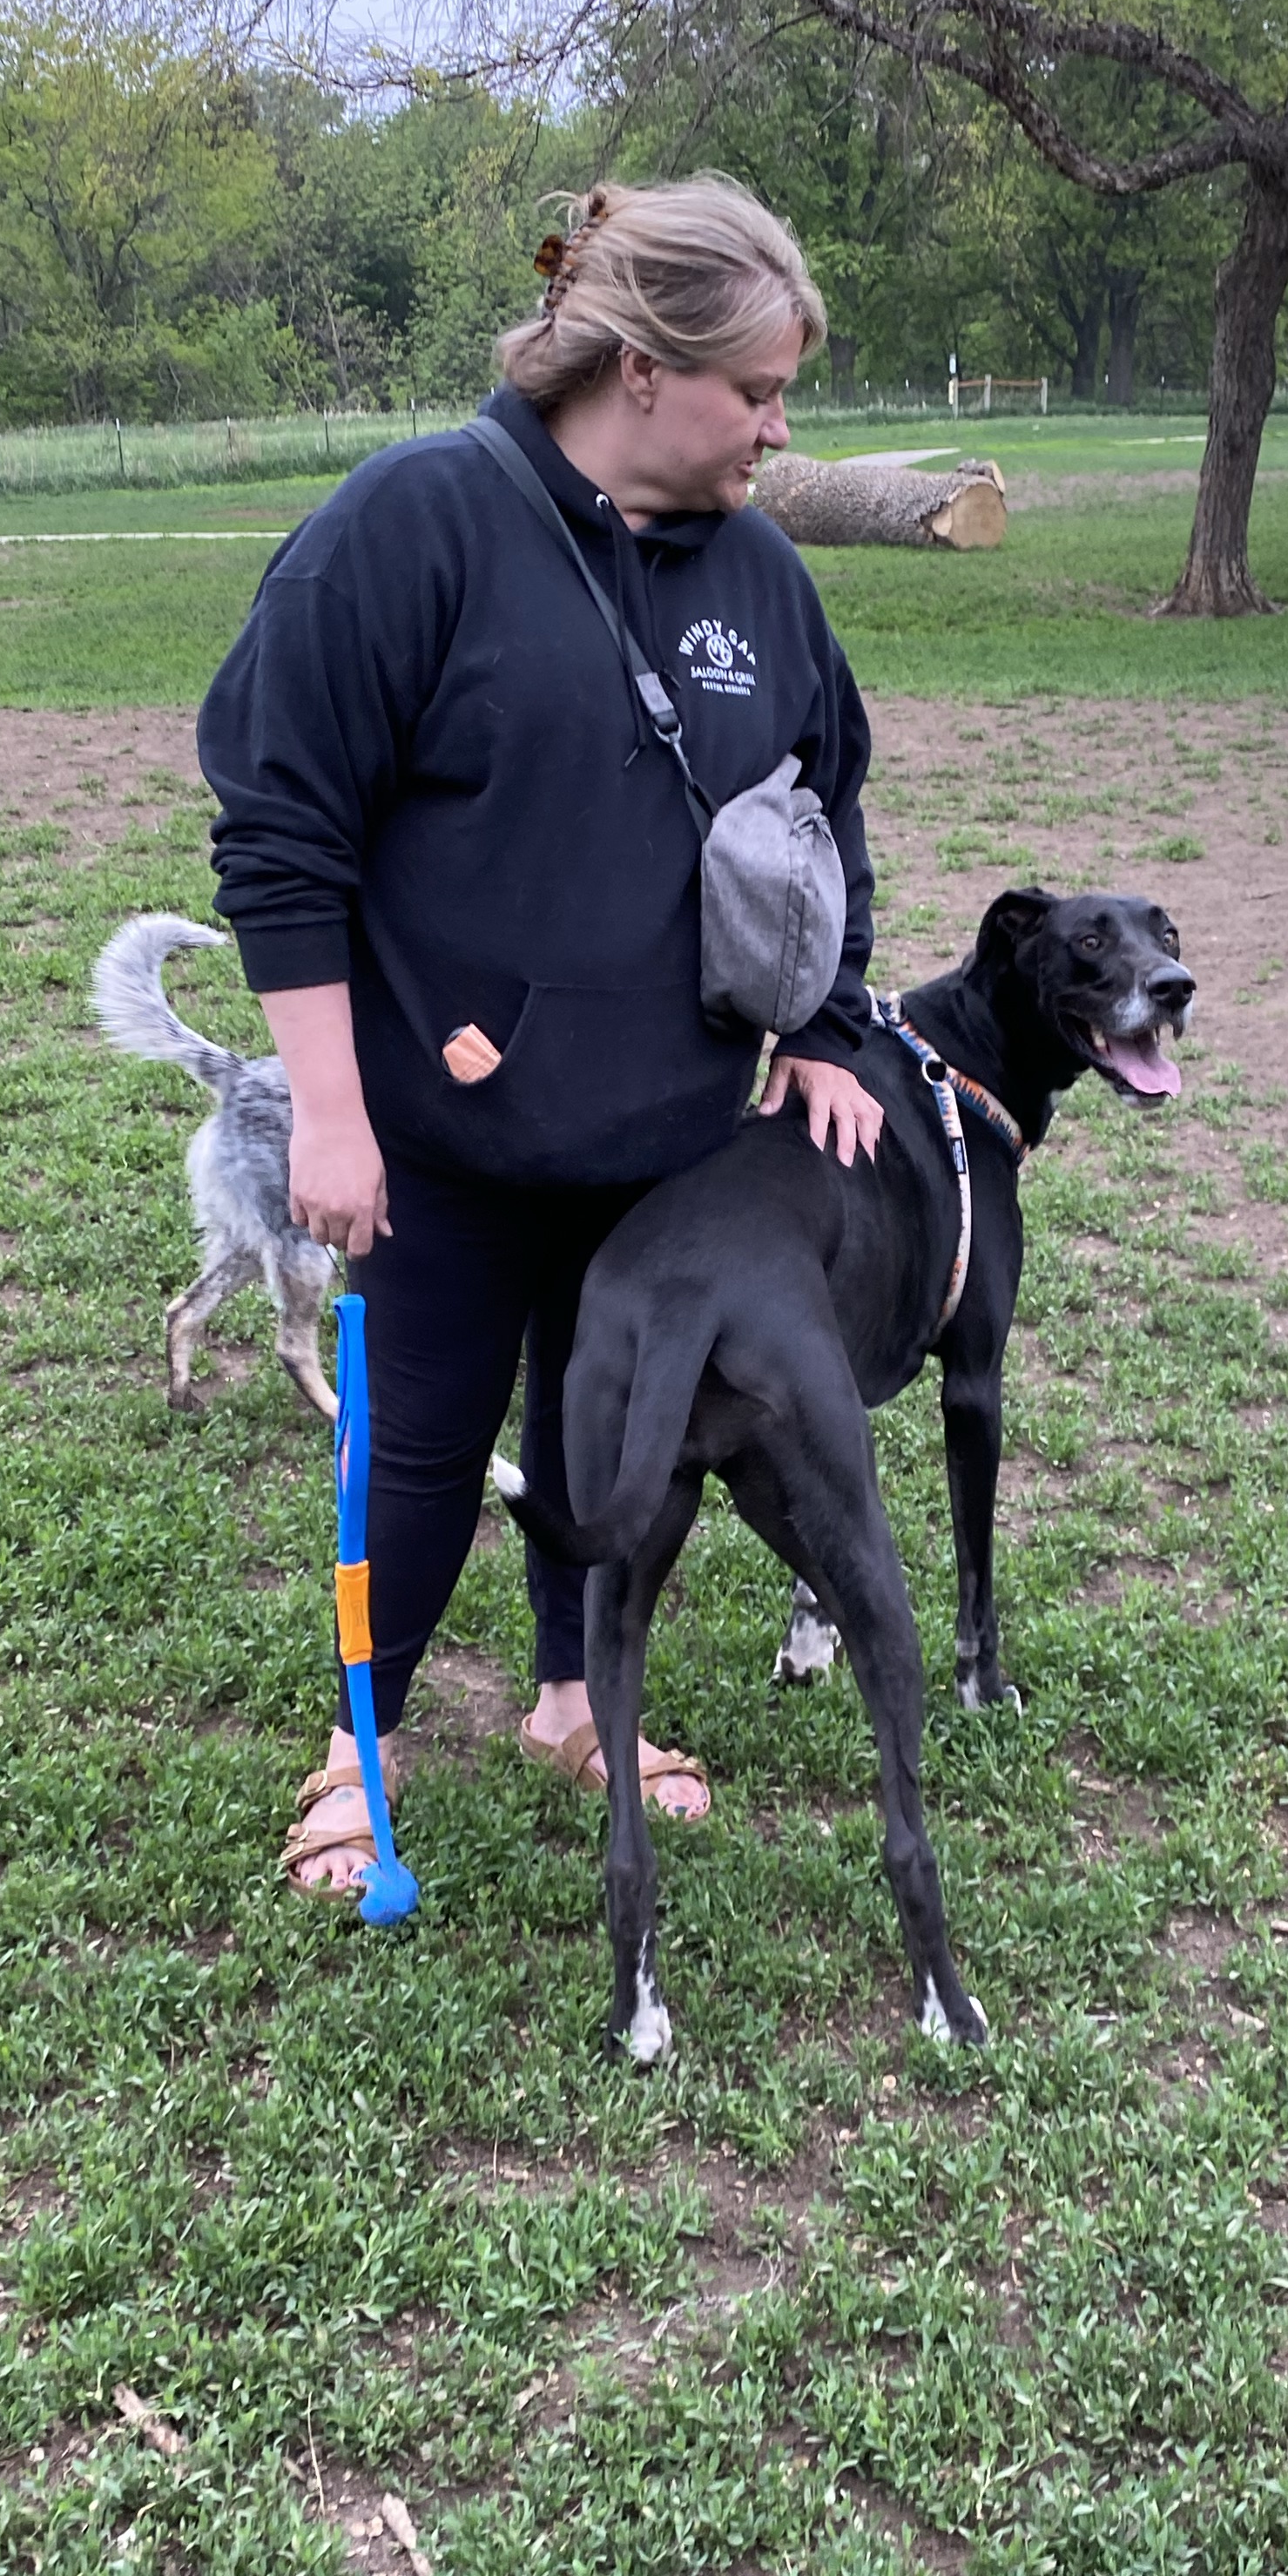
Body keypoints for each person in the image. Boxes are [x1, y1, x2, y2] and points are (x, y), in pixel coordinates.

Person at [201, 175, 887, 1897]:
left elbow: (825, 805)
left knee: (613, 1444)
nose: (780, 430)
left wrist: (825, 1020)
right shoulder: (416, 526)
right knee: (423, 1450)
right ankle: (357, 1751)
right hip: (439, 1138)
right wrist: (330, 1112)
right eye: (757, 392)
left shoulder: (758, 575)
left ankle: (576, 1701)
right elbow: (281, 835)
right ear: (642, 367)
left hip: (665, 1141)